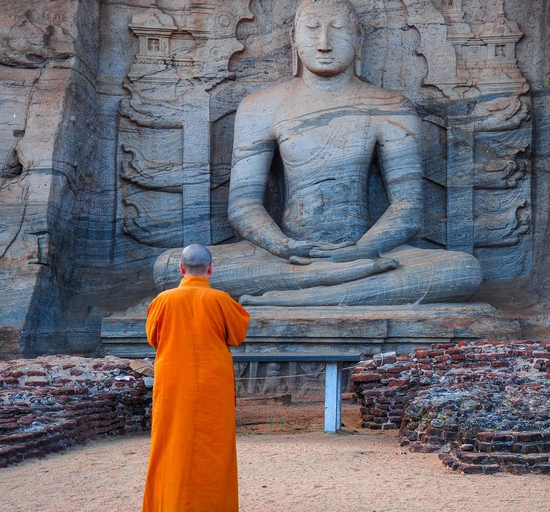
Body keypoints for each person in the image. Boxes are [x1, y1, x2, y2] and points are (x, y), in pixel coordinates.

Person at [153, 0, 483, 306]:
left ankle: (300, 296)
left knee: (462, 270)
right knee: (170, 269)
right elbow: (243, 206)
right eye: (312, 29)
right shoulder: (260, 106)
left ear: (359, 41)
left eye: (338, 29)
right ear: (293, 39)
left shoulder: (390, 106)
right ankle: (332, 284)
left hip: (365, 252)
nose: (324, 42)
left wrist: (358, 252)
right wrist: (281, 245)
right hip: (284, 257)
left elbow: (407, 207)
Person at [143, 244, 250, 512]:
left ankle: (170, 504)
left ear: (181, 269)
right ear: (211, 269)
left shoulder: (163, 301)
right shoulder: (223, 301)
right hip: (213, 385)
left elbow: (153, 339)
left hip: (173, 382)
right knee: (214, 446)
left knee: (170, 443)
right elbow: (237, 337)